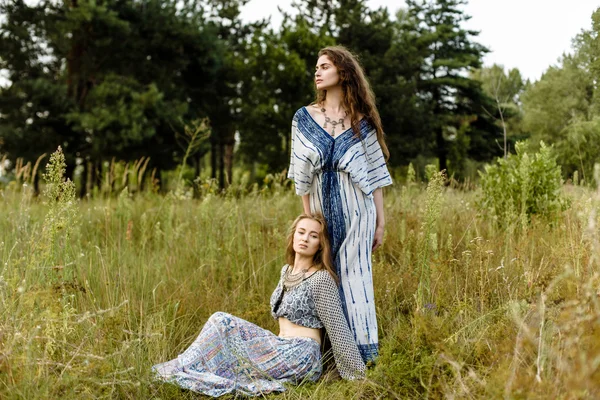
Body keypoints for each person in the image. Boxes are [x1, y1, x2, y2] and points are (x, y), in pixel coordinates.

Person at [151, 213, 366, 397]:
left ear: (320, 245)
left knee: (221, 320)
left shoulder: (320, 279)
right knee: (224, 334)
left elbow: (337, 328)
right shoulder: (286, 271)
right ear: (293, 236)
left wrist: (359, 376)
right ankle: (186, 367)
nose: (305, 239)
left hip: (300, 354)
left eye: (313, 235)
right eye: (301, 232)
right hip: (279, 346)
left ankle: (180, 367)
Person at [287, 45, 393, 364]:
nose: (316, 72)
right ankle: (325, 352)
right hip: (319, 211)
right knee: (325, 278)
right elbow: (300, 174)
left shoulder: (362, 122)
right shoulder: (304, 119)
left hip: (358, 213)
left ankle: (362, 356)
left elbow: (374, 177)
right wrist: (308, 219)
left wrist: (380, 223)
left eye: (324, 66)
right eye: (316, 67)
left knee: (356, 278)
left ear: (342, 72)